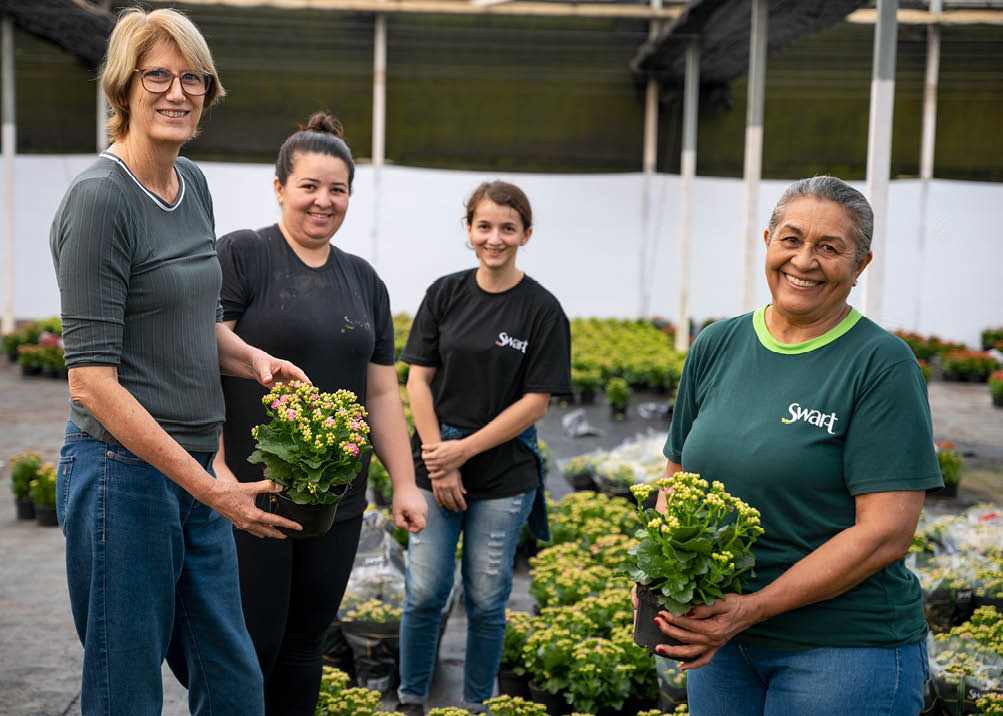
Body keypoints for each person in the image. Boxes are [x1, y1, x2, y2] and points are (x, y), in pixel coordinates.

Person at [49, 9, 309, 715]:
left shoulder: (190, 183)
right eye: (157, 74)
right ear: (124, 88)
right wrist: (211, 486)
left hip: (190, 473)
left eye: (191, 77)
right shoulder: (101, 199)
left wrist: (253, 357)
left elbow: (192, 319)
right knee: (125, 689)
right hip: (118, 480)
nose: (177, 91)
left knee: (232, 684)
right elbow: (91, 383)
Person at [649, 176, 942, 715]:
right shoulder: (717, 344)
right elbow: (677, 477)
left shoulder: (881, 364)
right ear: (766, 241)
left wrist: (753, 607)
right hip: (725, 644)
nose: (804, 261)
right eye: (791, 239)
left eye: (830, 248)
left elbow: (885, 534)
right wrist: (659, 577)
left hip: (842, 649)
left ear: (860, 265)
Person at [213, 112, 427, 715]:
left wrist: (405, 483)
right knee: (252, 644)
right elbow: (199, 360)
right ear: (279, 187)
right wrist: (219, 468)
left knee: (307, 645)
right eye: (309, 186)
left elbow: (381, 393)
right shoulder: (243, 255)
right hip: (253, 491)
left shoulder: (363, 280)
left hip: (337, 497)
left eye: (337, 189)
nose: (322, 201)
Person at [396, 181, 572, 715]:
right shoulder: (445, 294)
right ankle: (410, 697)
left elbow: (535, 403)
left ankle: (477, 703)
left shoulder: (541, 310)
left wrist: (463, 453)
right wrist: (438, 458)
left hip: (503, 473)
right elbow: (417, 382)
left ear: (526, 234)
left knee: (487, 597)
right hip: (434, 460)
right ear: (469, 230)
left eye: (507, 228)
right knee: (424, 591)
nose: (495, 238)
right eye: (484, 226)